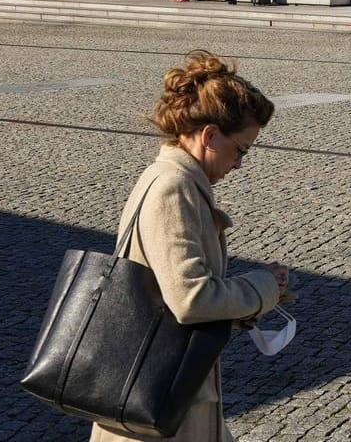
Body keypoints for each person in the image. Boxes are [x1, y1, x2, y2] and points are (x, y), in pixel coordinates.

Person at [91, 51, 289, 442]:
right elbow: (189, 298)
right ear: (210, 135)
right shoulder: (174, 187)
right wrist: (262, 287)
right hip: (159, 407)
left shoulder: (178, 181)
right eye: (241, 150)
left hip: (172, 397)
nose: (240, 164)